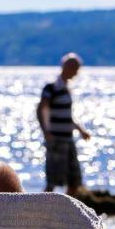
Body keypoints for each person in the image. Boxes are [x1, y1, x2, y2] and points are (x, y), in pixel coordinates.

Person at [38, 53, 91, 194]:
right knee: (53, 181)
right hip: (56, 139)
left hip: (68, 139)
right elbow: (40, 109)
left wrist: (80, 129)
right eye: (75, 69)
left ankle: (67, 212)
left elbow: (67, 115)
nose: (76, 73)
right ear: (67, 67)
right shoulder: (52, 88)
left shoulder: (66, 88)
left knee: (74, 180)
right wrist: (46, 132)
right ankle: (42, 212)